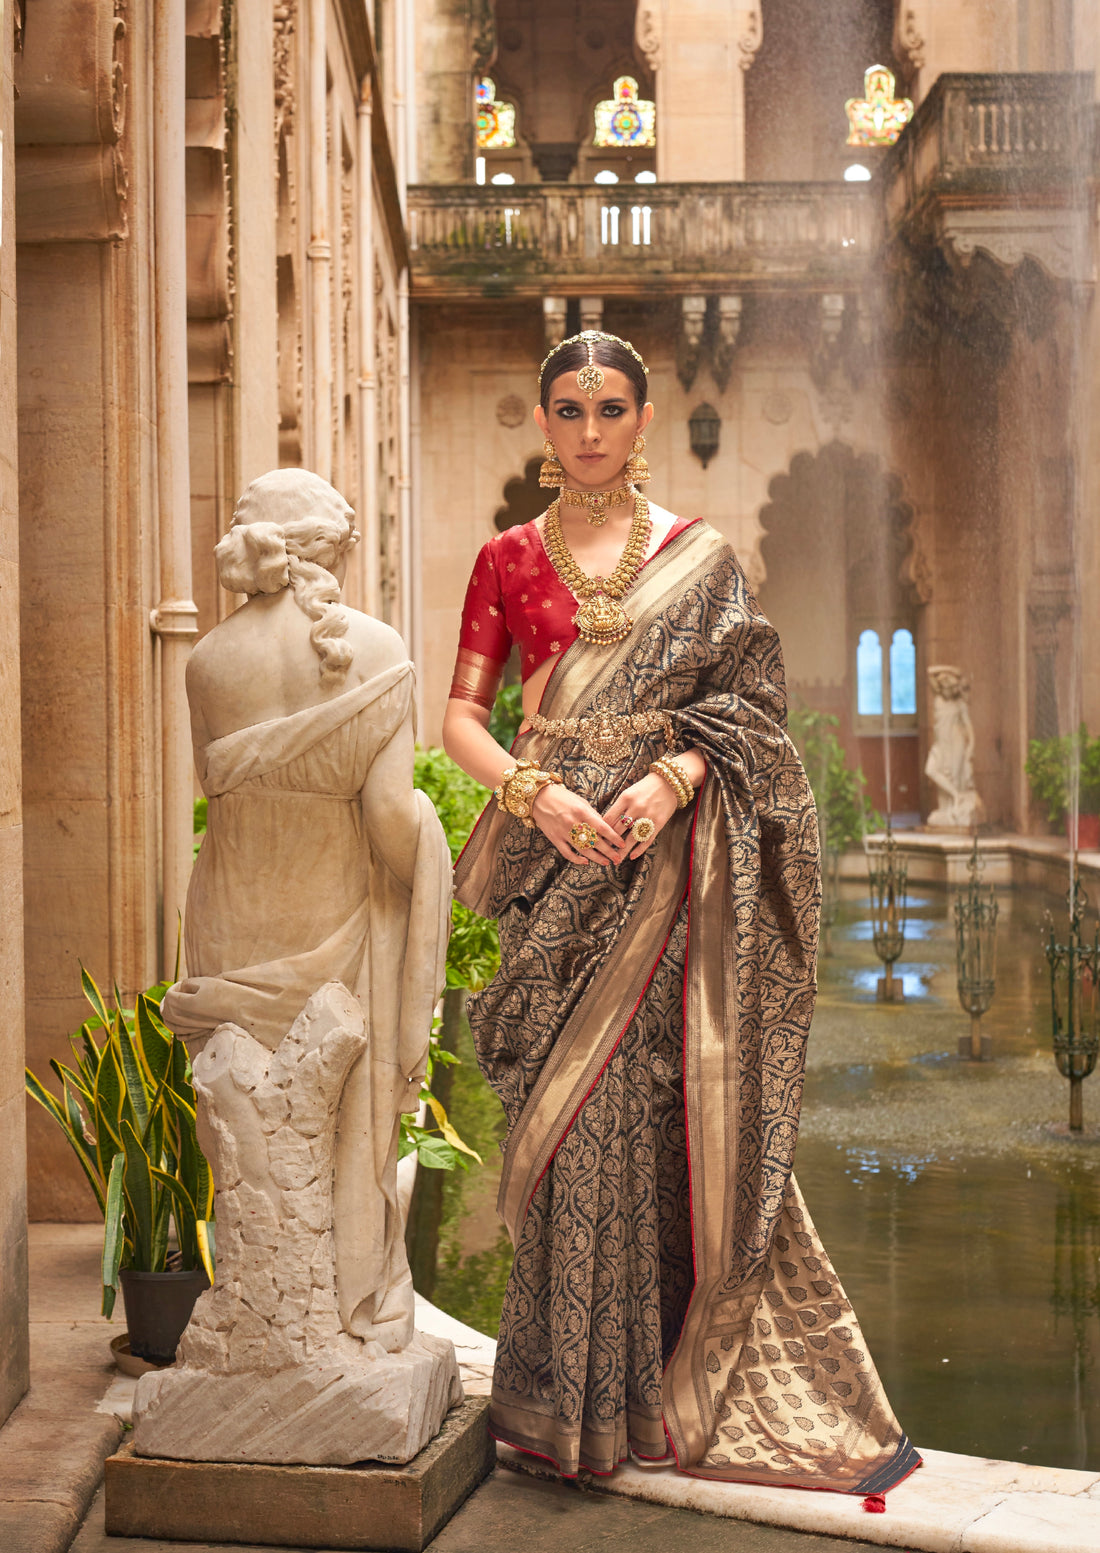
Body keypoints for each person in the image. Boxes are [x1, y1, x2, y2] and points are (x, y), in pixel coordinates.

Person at [443, 331, 919, 1500]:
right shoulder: (506, 558)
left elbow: (749, 710)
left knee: (643, 1117)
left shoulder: (698, 558)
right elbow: (460, 716)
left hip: (665, 872)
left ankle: (648, 1394)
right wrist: (533, 791)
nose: (589, 429)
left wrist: (672, 778)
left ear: (644, 419)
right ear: (542, 422)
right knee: (562, 1128)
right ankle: (557, 1403)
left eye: (609, 407)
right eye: (568, 409)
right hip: (549, 864)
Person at [161, 467, 451, 1353]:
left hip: (230, 918)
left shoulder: (207, 663)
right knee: (335, 1135)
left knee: (247, 1144)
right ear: (332, 550)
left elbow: (220, 796)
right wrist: (436, 850)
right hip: (332, 919)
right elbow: (392, 820)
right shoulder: (375, 647)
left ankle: (260, 1322)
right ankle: (339, 1313)